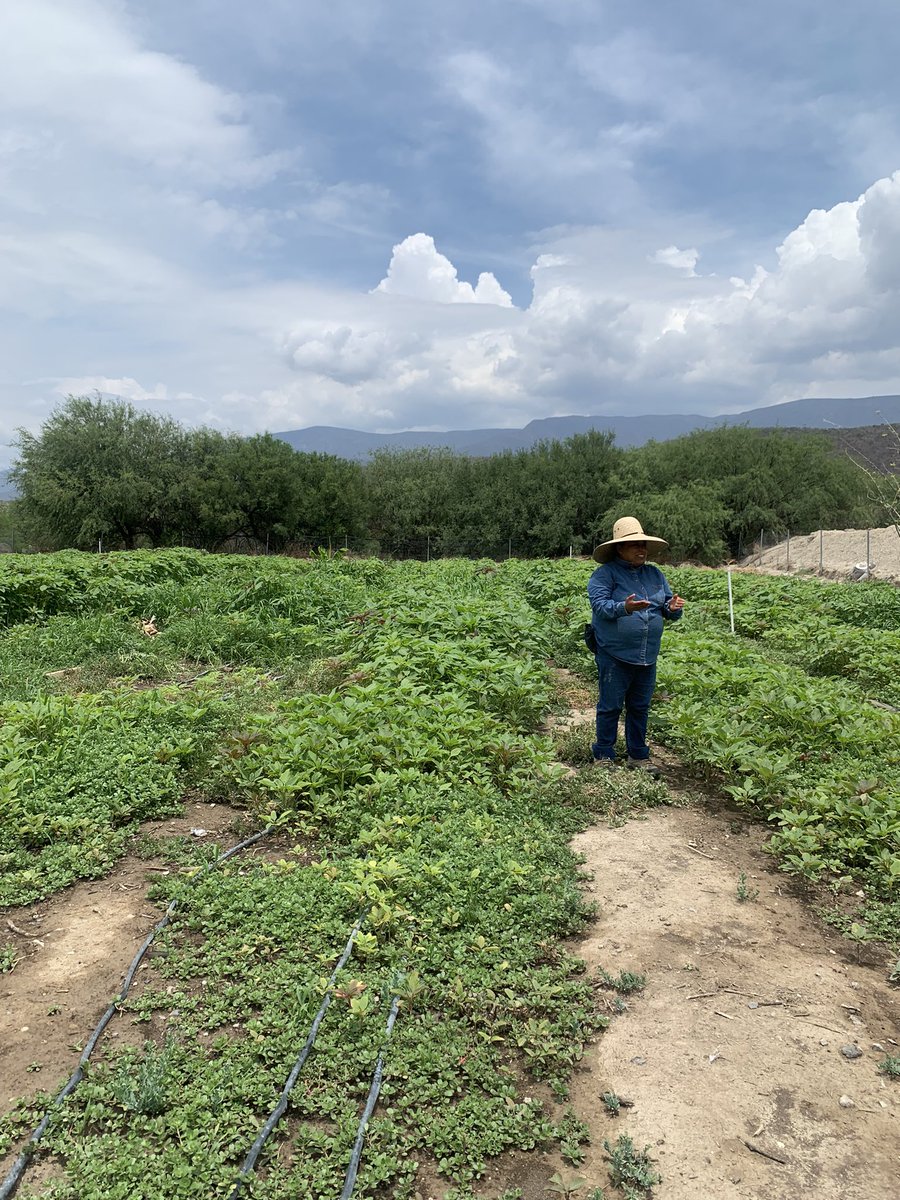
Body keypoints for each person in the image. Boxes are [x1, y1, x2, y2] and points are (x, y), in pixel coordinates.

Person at [587, 516, 685, 773]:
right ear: (619, 548)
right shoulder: (605, 574)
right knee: (610, 706)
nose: (641, 549)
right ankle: (604, 754)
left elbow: (665, 607)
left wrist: (672, 608)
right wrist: (624, 607)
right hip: (614, 653)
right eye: (634, 545)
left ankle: (638, 756)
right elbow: (600, 606)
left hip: (647, 655)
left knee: (640, 707)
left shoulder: (654, 574)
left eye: (643, 544)